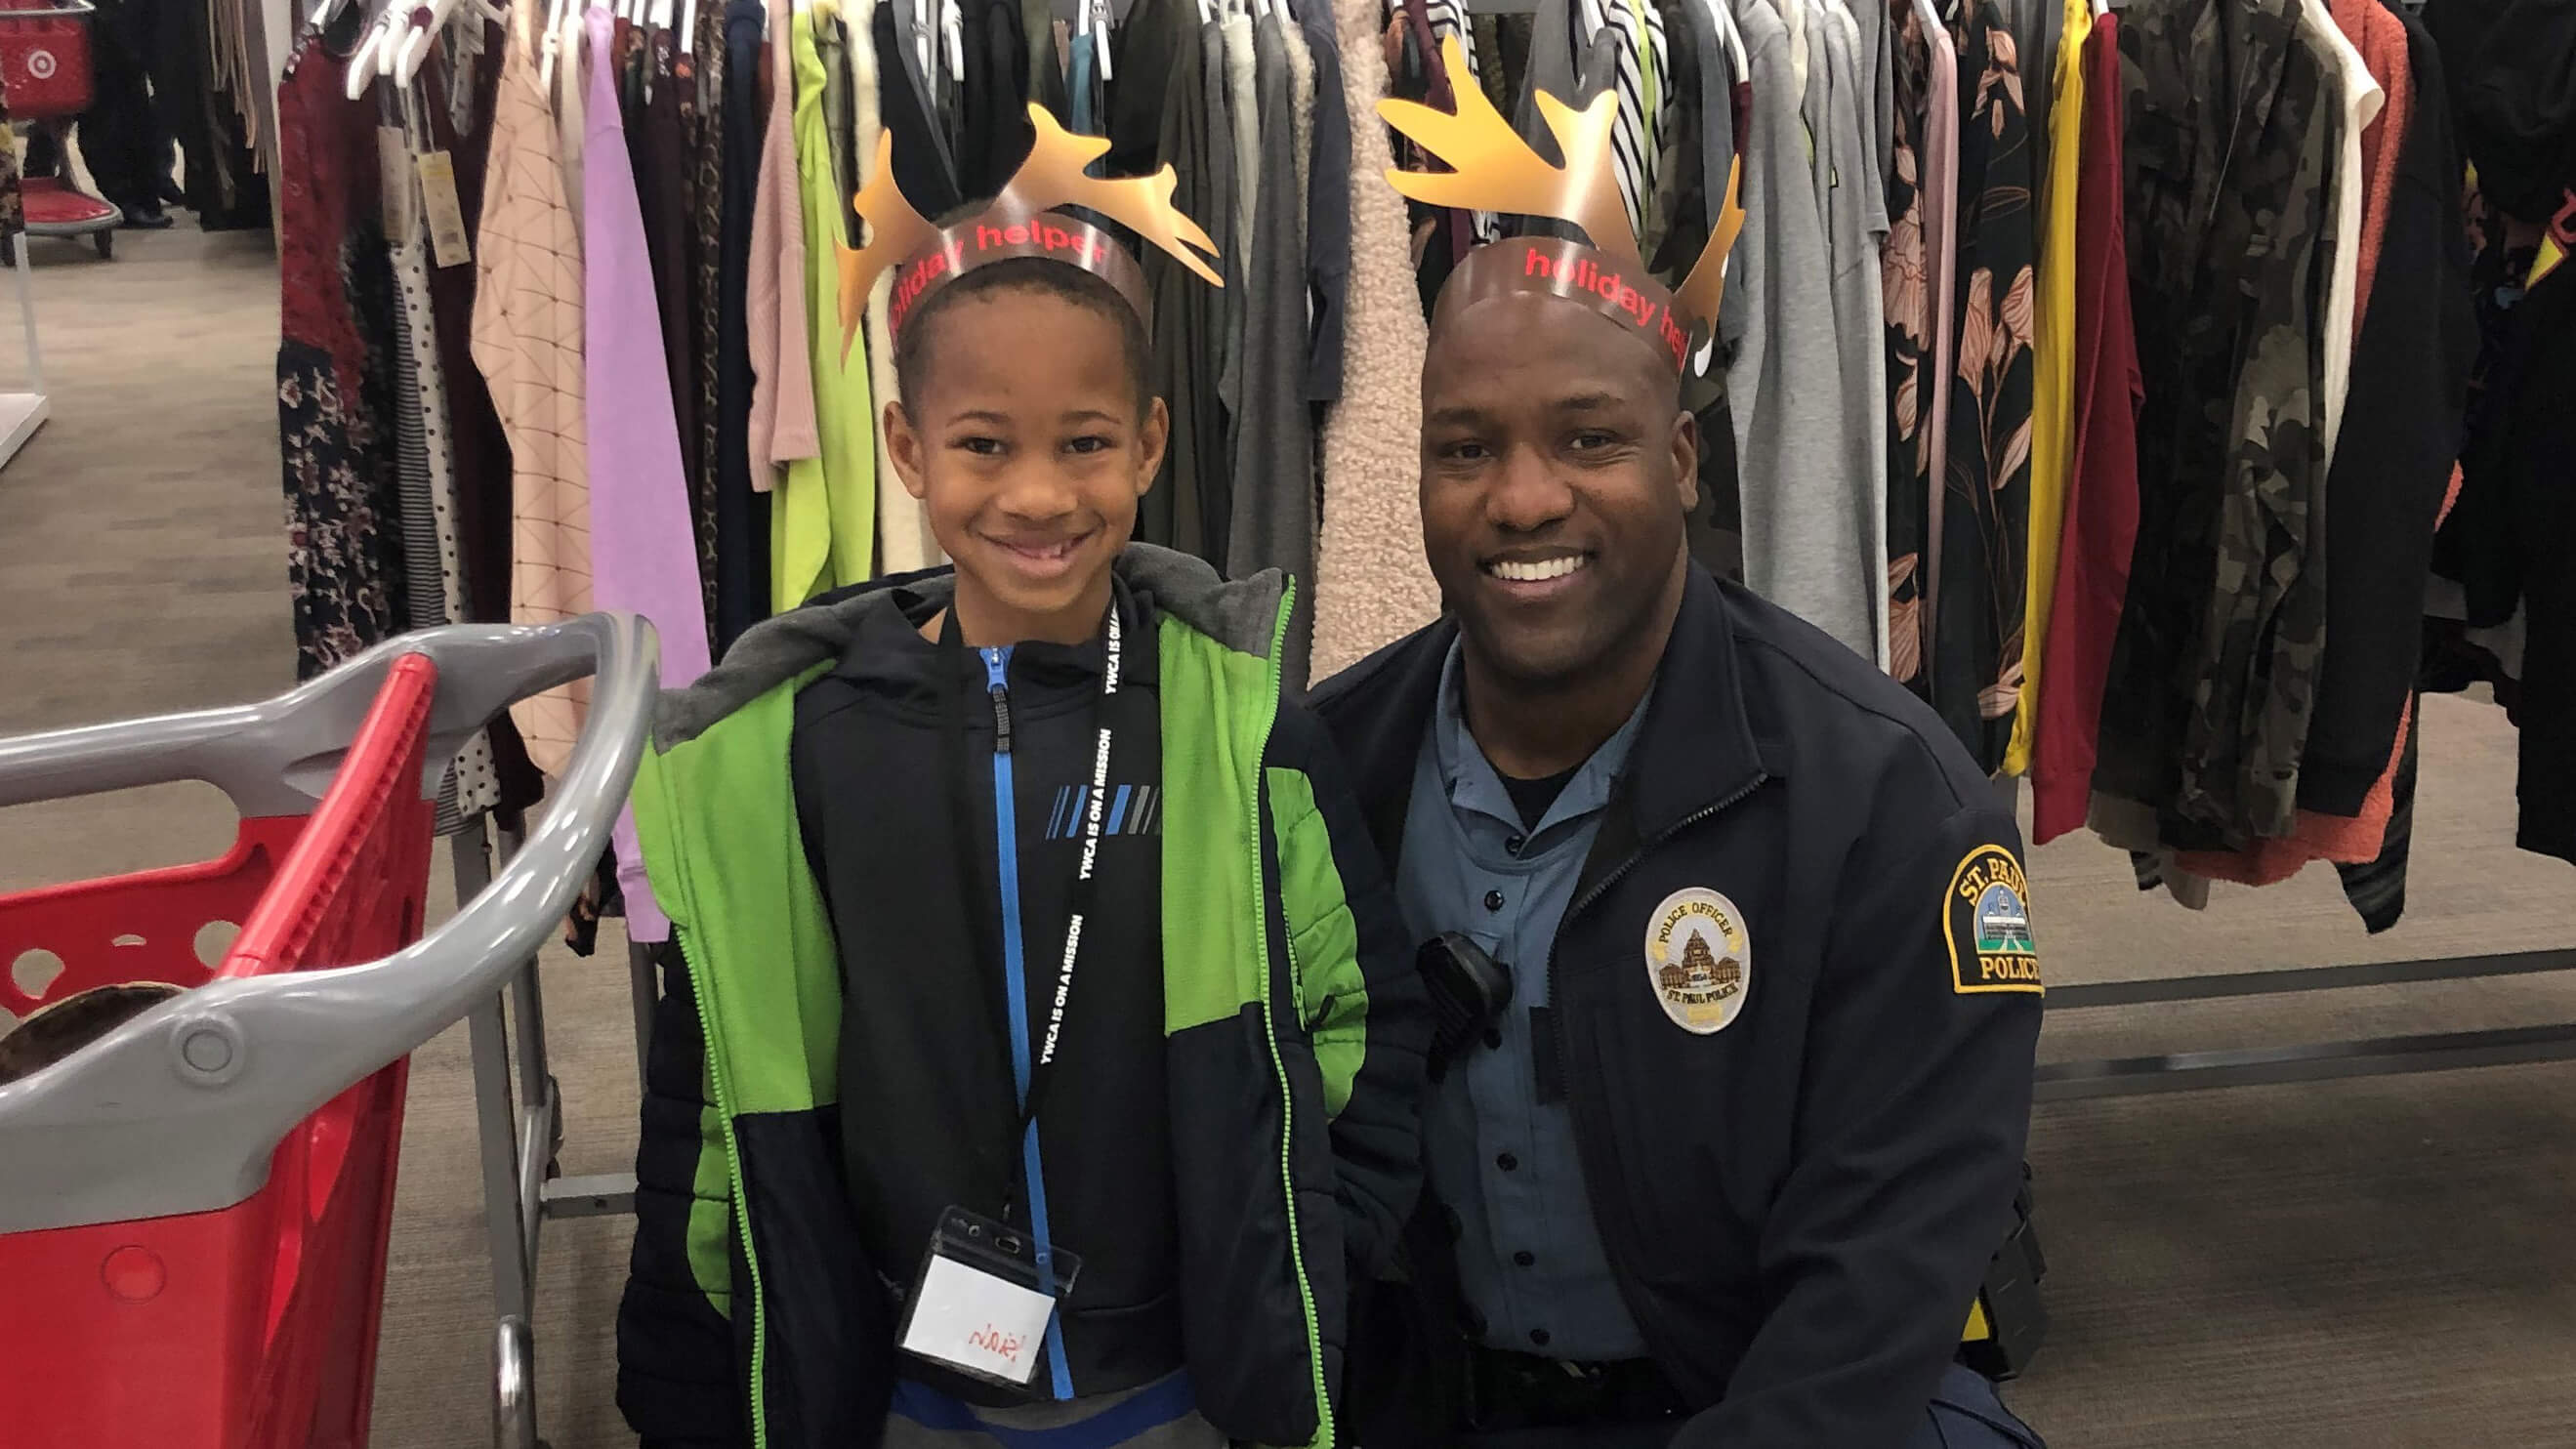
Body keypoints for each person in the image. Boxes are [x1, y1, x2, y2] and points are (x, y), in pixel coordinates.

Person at [613, 118, 1428, 1449]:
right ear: (903, 446)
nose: (1038, 495)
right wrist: (693, 1374)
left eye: (1085, 442)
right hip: (903, 1379)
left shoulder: (1223, 725)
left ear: (1154, 445)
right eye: (984, 445)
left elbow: (1360, 1016)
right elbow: (712, 1093)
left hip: (1188, 1377)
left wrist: (1305, 1243)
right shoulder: (795, 750)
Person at [1312, 42, 2046, 1449]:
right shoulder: (1327, 770)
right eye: (1464, 450)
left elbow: (1881, 1278)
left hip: (1770, 1406)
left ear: (1684, 463)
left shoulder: (1893, 807)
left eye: (1588, 440)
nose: (1522, 498)